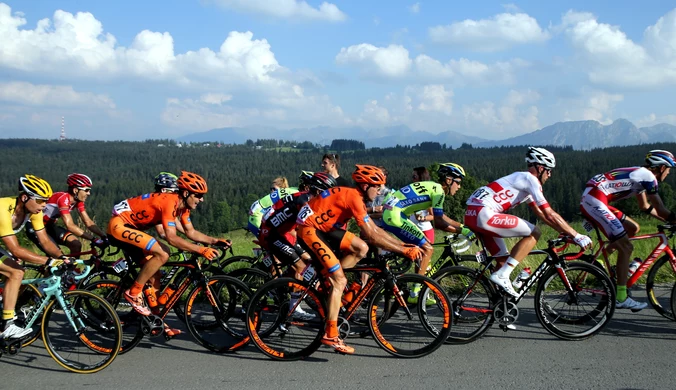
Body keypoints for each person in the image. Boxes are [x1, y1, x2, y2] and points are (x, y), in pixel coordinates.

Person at [297, 164, 423, 354]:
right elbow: (372, 234)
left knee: (361, 248)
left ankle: (328, 280)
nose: (380, 190)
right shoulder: (354, 197)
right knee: (340, 280)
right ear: (365, 185)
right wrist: (402, 251)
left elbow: (375, 230)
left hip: (325, 228)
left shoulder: (356, 197)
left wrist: (403, 246)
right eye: (377, 186)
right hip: (310, 230)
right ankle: (330, 334)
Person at [465, 147, 592, 298]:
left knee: (502, 261)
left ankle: (499, 306)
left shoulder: (521, 179)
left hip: (471, 214)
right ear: (540, 168)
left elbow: (542, 215)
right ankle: (503, 276)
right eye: (549, 171)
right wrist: (577, 235)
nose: (550, 175)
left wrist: (564, 232)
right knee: (535, 232)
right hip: (484, 214)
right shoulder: (530, 179)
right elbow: (549, 212)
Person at [107, 171, 231, 316]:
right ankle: (133, 293)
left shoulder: (183, 207)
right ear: (185, 193)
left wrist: (214, 241)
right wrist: (200, 250)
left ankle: (156, 319)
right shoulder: (169, 201)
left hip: (131, 229)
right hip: (119, 226)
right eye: (198, 195)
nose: (202, 200)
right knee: (163, 252)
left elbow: (191, 232)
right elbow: (170, 237)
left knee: (156, 275)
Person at [580, 150, 676, 310]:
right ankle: (621, 296)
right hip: (595, 200)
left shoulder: (641, 175)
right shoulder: (649, 177)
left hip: (595, 197)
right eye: (669, 169)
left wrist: (667, 221)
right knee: (627, 247)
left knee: (633, 228)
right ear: (661, 167)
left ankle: (602, 261)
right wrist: (673, 219)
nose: (669, 173)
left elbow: (645, 207)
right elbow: (660, 207)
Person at [381, 163, 474, 304]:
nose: (459, 187)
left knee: (418, 247)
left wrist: (462, 228)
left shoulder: (432, 186)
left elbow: (440, 218)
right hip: (396, 216)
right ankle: (415, 293)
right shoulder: (439, 192)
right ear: (449, 180)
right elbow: (440, 222)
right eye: (458, 182)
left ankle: (396, 280)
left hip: (394, 213)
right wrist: (464, 230)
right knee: (428, 249)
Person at [258, 172, 337, 320]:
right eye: (328, 192)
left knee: (302, 261)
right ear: (319, 190)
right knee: (301, 267)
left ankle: (280, 288)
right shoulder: (305, 201)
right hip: (270, 234)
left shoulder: (308, 198)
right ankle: (293, 307)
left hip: (280, 231)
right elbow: (305, 230)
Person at [0, 175, 69, 338]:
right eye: (40, 200)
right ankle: (7, 325)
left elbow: (45, 241)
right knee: (16, 272)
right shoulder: (3, 209)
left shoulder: (33, 211)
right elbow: (16, 249)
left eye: (46, 200)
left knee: (15, 270)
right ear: (24, 197)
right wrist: (49, 261)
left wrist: (63, 257)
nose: (44, 205)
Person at [26, 173, 107, 255]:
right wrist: (93, 239)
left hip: (49, 226)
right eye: (86, 190)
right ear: (75, 190)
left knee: (76, 244)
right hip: (34, 226)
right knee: (57, 254)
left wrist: (104, 236)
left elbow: (88, 222)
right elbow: (70, 226)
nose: (89, 193)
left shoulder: (78, 202)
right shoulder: (63, 199)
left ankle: (72, 267)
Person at [409, 167, 435, 245]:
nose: (412, 179)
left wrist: (422, 218)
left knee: (425, 256)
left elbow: (433, 216)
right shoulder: (412, 192)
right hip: (411, 230)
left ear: (421, 178)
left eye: (414, 177)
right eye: (412, 177)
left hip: (424, 230)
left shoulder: (426, 194)